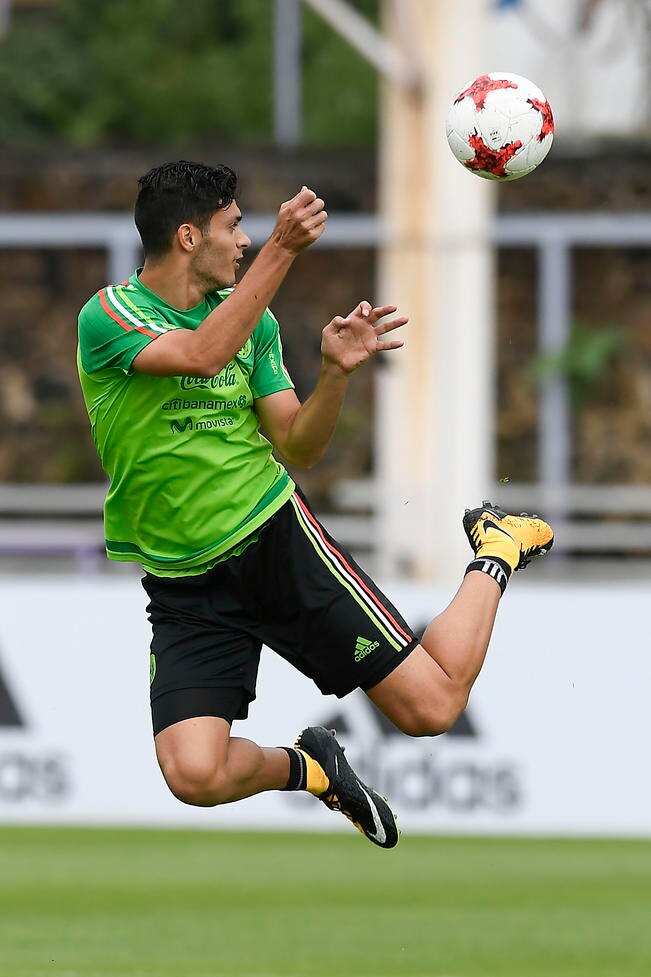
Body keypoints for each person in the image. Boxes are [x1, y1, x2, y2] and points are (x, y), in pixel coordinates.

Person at [77, 160, 553, 849]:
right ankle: (311, 769)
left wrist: (333, 374)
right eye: (233, 226)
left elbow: (297, 445)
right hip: (184, 582)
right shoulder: (110, 314)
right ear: (187, 237)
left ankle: (497, 546)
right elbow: (203, 355)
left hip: (275, 543)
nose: (245, 239)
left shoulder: (254, 323)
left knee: (432, 707)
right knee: (194, 774)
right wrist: (283, 248)